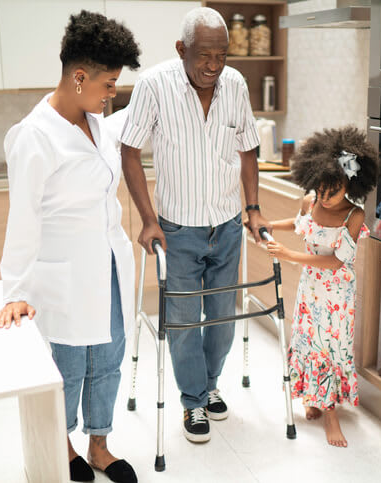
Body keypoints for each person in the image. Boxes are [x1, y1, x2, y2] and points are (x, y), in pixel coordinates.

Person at [0, 11, 140, 483]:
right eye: (108, 83)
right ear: (79, 77)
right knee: (69, 367)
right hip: (65, 275)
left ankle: (99, 446)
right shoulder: (33, 136)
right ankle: (65, 446)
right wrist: (15, 289)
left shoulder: (98, 121)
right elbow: (24, 219)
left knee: (109, 360)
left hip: (110, 267)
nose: (112, 92)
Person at [120, 7, 269, 444]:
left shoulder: (235, 84)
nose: (213, 66)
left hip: (226, 225)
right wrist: (148, 220)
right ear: (181, 49)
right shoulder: (154, 85)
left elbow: (248, 149)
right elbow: (129, 151)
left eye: (221, 56)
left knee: (222, 315)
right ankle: (192, 401)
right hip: (178, 228)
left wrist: (254, 207)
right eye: (204, 55)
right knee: (184, 319)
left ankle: (209, 384)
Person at [265, 126, 379, 447]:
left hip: (337, 296)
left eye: (334, 190)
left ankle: (332, 416)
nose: (325, 197)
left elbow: (335, 262)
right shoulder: (311, 200)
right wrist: (269, 224)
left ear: (350, 184)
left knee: (330, 348)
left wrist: (289, 255)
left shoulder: (353, 216)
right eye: (321, 189)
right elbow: (300, 223)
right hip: (309, 290)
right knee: (308, 342)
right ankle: (314, 399)